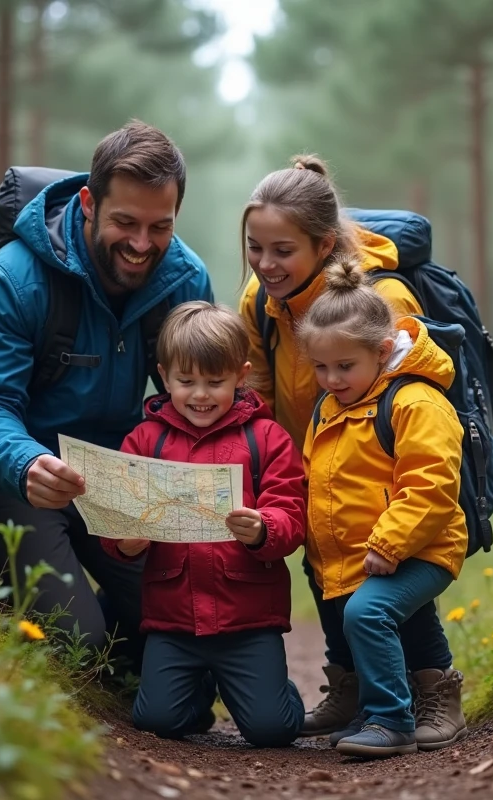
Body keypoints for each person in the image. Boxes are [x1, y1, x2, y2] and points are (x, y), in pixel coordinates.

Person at [0, 121, 213, 669]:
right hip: (24, 477)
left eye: (159, 227)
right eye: (125, 222)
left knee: (189, 623)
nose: (142, 245)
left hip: (122, 478)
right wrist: (25, 463)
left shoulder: (185, 281)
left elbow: (205, 396)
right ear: (89, 203)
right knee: (80, 643)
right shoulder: (11, 279)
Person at [237, 155, 464, 743]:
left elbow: (407, 382)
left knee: (389, 595)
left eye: (282, 250)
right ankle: (353, 690)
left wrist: (391, 512)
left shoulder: (381, 297)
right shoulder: (259, 301)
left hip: (381, 474)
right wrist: (268, 463)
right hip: (311, 466)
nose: (266, 264)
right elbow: (258, 386)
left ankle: (429, 693)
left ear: (324, 244)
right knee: (331, 582)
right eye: (255, 248)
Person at [102, 301, 307, 747]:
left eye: (215, 383)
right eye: (185, 381)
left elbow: (291, 513)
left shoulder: (266, 437)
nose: (200, 395)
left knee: (272, 729)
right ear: (164, 374)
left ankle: (276, 694)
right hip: (173, 622)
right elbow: (115, 524)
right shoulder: (145, 440)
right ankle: (197, 695)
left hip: (249, 619)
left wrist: (263, 529)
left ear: (241, 374)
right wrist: (127, 541)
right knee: (158, 720)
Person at [298, 258, 467, 757]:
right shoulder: (331, 405)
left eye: (344, 366)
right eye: (321, 367)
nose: (331, 379)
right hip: (364, 549)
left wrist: (389, 542)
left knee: (368, 614)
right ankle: (388, 703)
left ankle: (393, 718)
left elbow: (432, 483)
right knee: (393, 621)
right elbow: (318, 477)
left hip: (421, 543)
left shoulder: (415, 402)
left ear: (383, 349)